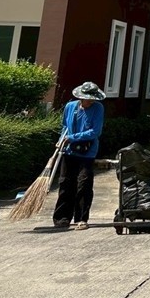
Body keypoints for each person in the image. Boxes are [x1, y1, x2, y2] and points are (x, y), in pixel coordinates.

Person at [53, 81, 106, 230]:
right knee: (65, 183)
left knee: (84, 184)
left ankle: (81, 218)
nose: (90, 101)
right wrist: (61, 140)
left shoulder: (98, 108)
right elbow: (65, 126)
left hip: (87, 152)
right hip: (69, 151)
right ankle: (62, 218)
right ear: (81, 97)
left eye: (92, 99)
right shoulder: (70, 107)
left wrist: (73, 137)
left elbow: (95, 131)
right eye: (88, 99)